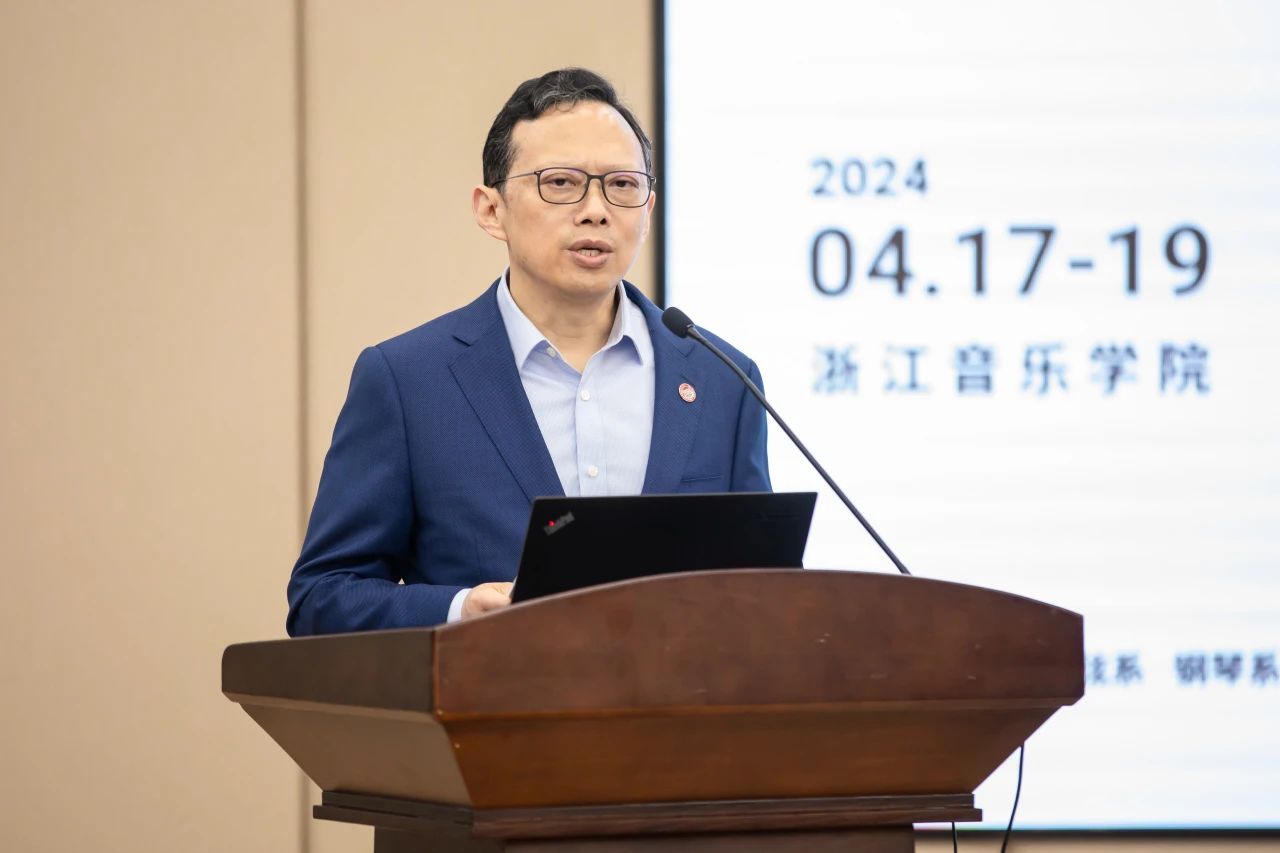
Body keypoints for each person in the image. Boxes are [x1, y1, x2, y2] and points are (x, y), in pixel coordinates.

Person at [286, 68, 770, 635]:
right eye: (561, 183)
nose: (596, 210)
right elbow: (322, 597)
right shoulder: (408, 381)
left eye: (622, 185)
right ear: (491, 210)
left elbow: (762, 589)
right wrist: (460, 610)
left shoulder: (722, 378)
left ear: (648, 210)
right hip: (487, 690)